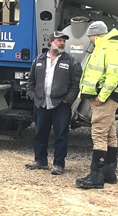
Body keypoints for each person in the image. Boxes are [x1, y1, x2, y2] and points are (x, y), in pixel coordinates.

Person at [75, 21, 118, 189]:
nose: (89, 40)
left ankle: (96, 176)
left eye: (90, 36)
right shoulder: (109, 45)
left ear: (97, 34)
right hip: (107, 97)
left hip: (105, 98)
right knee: (110, 133)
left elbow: (114, 74)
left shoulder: (111, 46)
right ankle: (108, 173)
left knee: (99, 133)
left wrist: (102, 96)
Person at [24, 31, 82, 175]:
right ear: (50, 42)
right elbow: (31, 81)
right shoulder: (39, 59)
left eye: (63, 41)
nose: (62, 43)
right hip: (41, 104)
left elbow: (76, 84)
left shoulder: (71, 61)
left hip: (60, 105)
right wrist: (33, 96)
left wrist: (67, 100)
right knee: (40, 133)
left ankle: (58, 164)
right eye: (59, 40)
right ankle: (40, 160)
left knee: (61, 135)